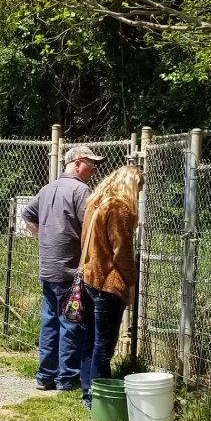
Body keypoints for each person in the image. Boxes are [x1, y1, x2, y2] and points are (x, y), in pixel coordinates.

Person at [21, 144, 104, 391]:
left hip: (47, 268)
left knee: (49, 321)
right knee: (71, 322)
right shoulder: (81, 191)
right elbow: (90, 229)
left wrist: (43, 239)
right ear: (77, 163)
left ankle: (45, 376)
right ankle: (67, 379)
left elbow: (28, 215)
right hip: (70, 270)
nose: (94, 169)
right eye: (91, 164)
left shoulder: (47, 189)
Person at [79, 164, 143, 404]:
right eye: (138, 188)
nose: (138, 195)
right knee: (104, 345)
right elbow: (122, 252)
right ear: (130, 185)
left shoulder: (96, 202)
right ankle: (101, 397)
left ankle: (87, 391)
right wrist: (131, 282)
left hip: (89, 278)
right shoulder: (119, 208)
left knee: (91, 340)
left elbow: (85, 240)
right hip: (108, 283)